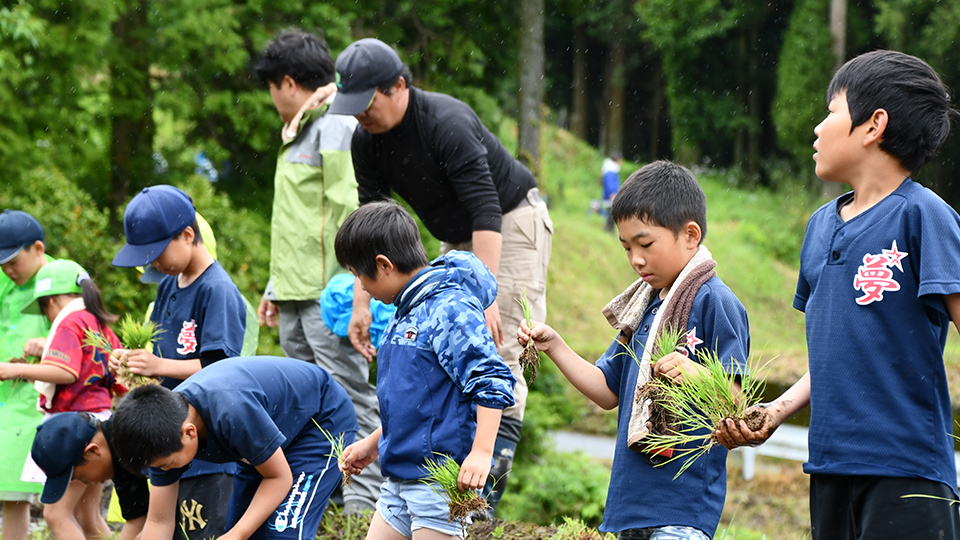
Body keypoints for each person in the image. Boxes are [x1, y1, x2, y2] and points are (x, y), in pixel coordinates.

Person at [716, 50, 960, 540]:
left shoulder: (923, 215)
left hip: (907, 469)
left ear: (873, 126)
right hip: (828, 465)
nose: (817, 129)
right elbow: (836, 352)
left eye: (830, 112)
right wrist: (777, 410)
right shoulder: (819, 227)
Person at [328, 38, 552, 513]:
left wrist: (484, 296)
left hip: (508, 222)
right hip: (455, 237)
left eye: (366, 104)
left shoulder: (445, 122)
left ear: (399, 87)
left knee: (499, 347)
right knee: (440, 346)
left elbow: (487, 209)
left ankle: (486, 484)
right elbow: (370, 230)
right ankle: (449, 477)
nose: (361, 116)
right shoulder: (365, 140)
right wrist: (361, 304)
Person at [519, 161, 750, 538]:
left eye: (645, 244)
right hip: (630, 505)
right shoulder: (644, 309)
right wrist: (554, 345)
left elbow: (737, 404)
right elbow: (607, 390)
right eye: (627, 247)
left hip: (683, 508)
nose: (635, 259)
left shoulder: (715, 302)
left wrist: (696, 375)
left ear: (690, 235)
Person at [251, 29, 382, 513]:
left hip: (330, 294)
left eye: (270, 86)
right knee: (301, 405)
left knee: (350, 394)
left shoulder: (334, 125)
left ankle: (366, 508)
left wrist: (357, 287)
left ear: (287, 82)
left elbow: (351, 209)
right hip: (293, 292)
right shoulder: (296, 132)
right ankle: (318, 502)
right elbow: (295, 223)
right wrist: (273, 285)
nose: (271, 97)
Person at [334, 201, 516, 539]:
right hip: (398, 481)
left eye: (358, 275)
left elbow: (491, 381)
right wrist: (374, 443)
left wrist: (481, 452)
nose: (360, 287)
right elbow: (416, 403)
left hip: (436, 483)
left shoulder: (448, 308)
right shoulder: (404, 311)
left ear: (383, 265)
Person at [112, 184, 248, 540]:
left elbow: (221, 371)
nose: (152, 263)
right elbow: (162, 354)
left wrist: (158, 366)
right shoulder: (169, 284)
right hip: (167, 443)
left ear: (188, 235)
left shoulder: (216, 290)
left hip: (205, 452)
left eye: (156, 252)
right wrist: (133, 364)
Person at [110, 356, 358, 540]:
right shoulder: (162, 435)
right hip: (262, 444)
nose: (164, 470)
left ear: (189, 433)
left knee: (281, 534)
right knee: (241, 530)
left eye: (166, 465)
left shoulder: (230, 410)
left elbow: (280, 477)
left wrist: (238, 534)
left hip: (318, 424)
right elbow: (158, 523)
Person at [2, 259, 125, 540]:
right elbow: (118, 382)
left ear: (54, 299)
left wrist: (15, 369)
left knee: (55, 514)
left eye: (44, 307)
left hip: (76, 431)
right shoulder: (100, 325)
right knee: (87, 516)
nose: (46, 317)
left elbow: (65, 372)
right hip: (102, 425)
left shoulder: (70, 321)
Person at [0, 210, 50, 540]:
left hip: (41, 403)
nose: (8, 270)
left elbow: (88, 339)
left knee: (65, 505)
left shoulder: (64, 279)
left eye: (13, 261)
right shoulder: (5, 279)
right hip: (6, 401)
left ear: (38, 249)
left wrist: (48, 344)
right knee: (9, 497)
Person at [29, 412, 149, 540]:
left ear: (92, 451)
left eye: (80, 477)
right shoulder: (117, 457)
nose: (87, 483)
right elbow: (137, 520)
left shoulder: (143, 434)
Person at [599, 152, 622, 231]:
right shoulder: (611, 170)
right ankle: (608, 229)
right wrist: (613, 193)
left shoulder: (609, 169)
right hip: (611, 195)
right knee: (611, 213)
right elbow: (610, 183)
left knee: (610, 212)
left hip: (610, 194)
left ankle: (609, 229)